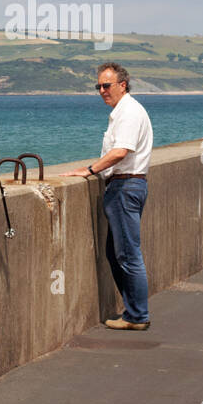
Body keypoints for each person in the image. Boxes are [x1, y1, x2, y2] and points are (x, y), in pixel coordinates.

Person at [63, 62, 153, 330]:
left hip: (125, 187)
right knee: (117, 253)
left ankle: (137, 316)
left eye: (107, 85)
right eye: (98, 86)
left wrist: (89, 170)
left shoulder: (128, 113)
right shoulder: (124, 112)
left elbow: (119, 152)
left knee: (127, 254)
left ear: (122, 85)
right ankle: (134, 311)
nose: (102, 90)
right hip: (126, 186)